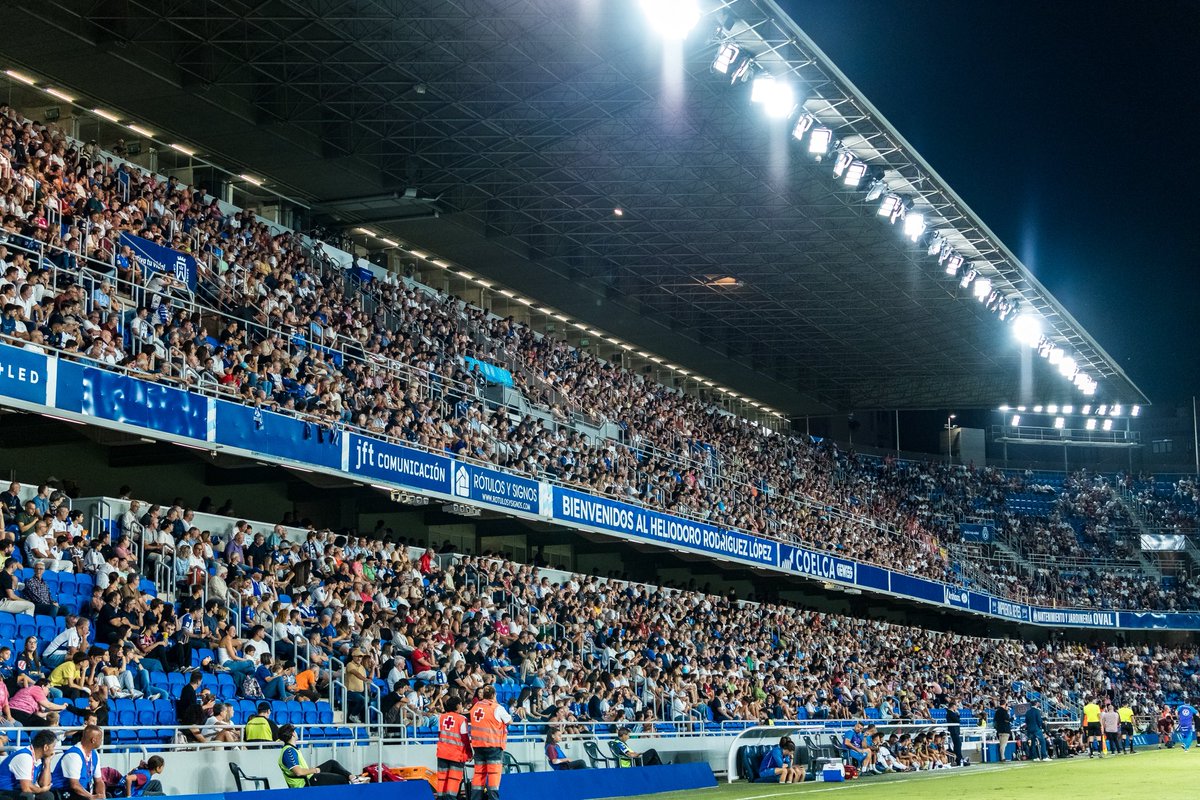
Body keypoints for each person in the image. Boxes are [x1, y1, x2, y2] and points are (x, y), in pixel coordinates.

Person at [277, 724, 359, 787]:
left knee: (332, 763)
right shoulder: (289, 751)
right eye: (294, 731)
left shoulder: (291, 749)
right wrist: (314, 770)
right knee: (341, 779)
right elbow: (299, 772)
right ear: (293, 734)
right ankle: (351, 783)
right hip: (305, 783)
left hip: (309, 777)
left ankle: (352, 777)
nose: (296, 733)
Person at [468, 685, 511, 800]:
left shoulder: (475, 706)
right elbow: (509, 720)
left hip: (477, 747)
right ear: (494, 695)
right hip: (493, 747)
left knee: (478, 775)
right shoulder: (497, 708)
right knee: (493, 776)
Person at [50, 725, 103, 800]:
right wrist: (91, 797)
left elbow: (99, 780)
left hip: (82, 791)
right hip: (64, 790)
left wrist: (102, 796)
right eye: (100, 738)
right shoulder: (73, 755)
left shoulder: (94, 754)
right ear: (93, 740)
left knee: (108, 795)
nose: (101, 740)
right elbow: (74, 785)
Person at [0, 729, 56, 800]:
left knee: (47, 795)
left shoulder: (40, 758)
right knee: (27, 796)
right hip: (4, 791)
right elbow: (26, 788)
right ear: (45, 747)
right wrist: (42, 790)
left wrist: (47, 764)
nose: (54, 751)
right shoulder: (25, 756)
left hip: (18, 790)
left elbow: (45, 784)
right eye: (53, 747)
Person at [435, 695, 471, 800]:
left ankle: (440, 797)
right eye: (460, 704)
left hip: (442, 753)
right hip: (456, 755)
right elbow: (465, 738)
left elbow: (439, 734)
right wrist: (469, 753)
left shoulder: (441, 717)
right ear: (457, 705)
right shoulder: (461, 719)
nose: (461, 706)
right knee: (453, 779)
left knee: (442, 778)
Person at [945, 698, 964, 766]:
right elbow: (957, 720)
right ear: (953, 706)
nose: (956, 707)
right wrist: (957, 714)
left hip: (955, 731)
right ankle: (959, 759)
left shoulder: (951, 713)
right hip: (954, 731)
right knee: (958, 744)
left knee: (958, 744)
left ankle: (959, 758)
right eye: (956, 706)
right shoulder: (950, 713)